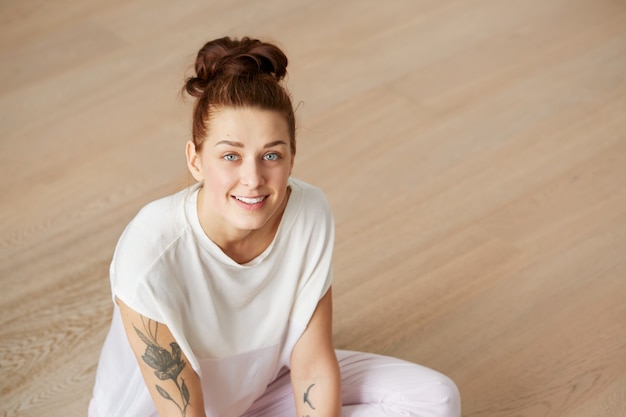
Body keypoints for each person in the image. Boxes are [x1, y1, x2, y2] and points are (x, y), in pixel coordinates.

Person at [88, 36, 461, 417]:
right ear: (195, 159)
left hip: (260, 390)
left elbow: (312, 364)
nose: (252, 178)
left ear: (292, 158)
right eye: (230, 155)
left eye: (271, 155)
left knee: (435, 398)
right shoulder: (150, 250)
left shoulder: (309, 212)